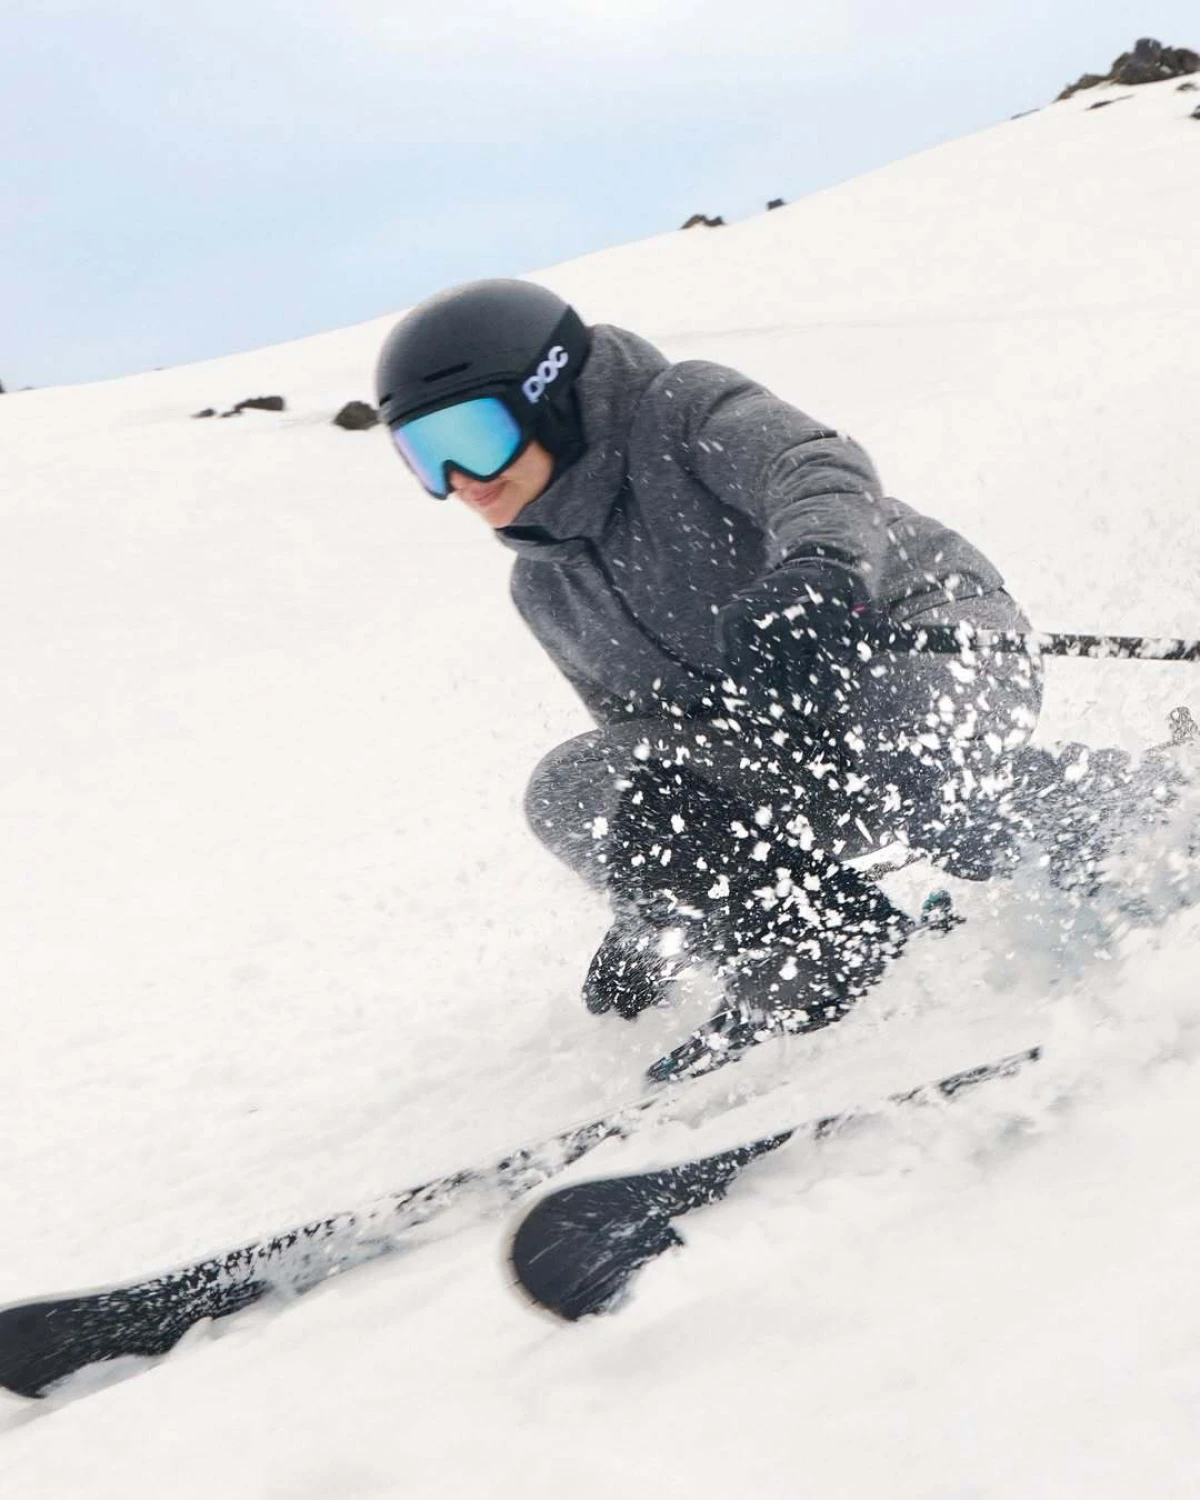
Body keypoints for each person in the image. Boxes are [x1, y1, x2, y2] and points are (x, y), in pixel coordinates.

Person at [375, 278, 1044, 1062]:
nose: (461, 477)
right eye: (426, 453)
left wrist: (820, 571)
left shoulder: (679, 410)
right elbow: (651, 763)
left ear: (549, 394)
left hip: (920, 646)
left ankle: (1123, 817)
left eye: (474, 434)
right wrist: (656, 906)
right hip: (788, 744)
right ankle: (816, 944)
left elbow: (815, 465)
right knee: (574, 784)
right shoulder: (546, 587)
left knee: (923, 774)